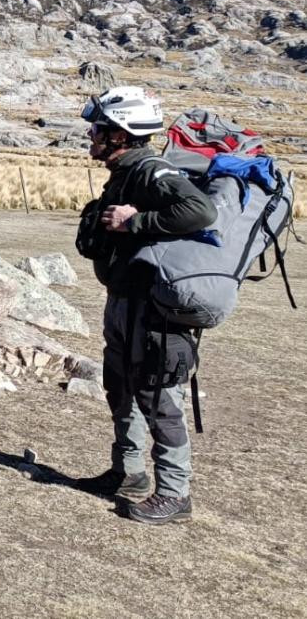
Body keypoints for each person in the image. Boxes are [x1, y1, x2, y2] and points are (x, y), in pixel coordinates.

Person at [75, 86, 216, 525]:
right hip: (123, 302)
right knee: (121, 389)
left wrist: (134, 222)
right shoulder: (124, 172)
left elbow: (200, 211)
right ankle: (129, 474)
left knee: (158, 398)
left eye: (99, 129)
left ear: (123, 134)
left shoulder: (152, 170)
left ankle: (175, 494)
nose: (92, 136)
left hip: (151, 311)